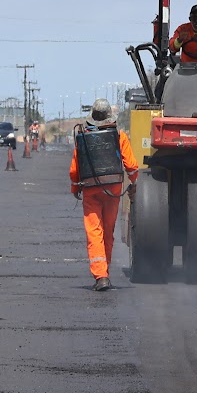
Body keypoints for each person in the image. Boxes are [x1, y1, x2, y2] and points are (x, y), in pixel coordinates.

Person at [70, 98, 140, 291]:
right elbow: (131, 165)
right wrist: (134, 182)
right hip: (113, 189)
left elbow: (75, 169)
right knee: (108, 231)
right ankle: (104, 271)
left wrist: (75, 188)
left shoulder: (83, 136)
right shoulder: (118, 135)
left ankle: (101, 276)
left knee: (94, 232)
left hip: (91, 190)